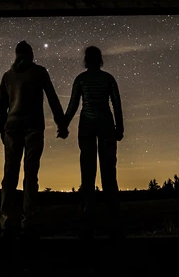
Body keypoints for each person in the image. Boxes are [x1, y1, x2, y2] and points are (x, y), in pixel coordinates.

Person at [0, 40, 67, 238]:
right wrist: (61, 124)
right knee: (31, 174)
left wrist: (2, 132)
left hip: (12, 128)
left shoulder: (7, 76)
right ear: (31, 54)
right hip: (33, 127)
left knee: (10, 174)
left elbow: (1, 106)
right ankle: (29, 220)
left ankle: (7, 221)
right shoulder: (39, 72)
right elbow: (52, 97)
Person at [63, 46, 124, 238]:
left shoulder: (81, 79)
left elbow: (73, 104)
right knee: (109, 171)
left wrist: (63, 125)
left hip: (87, 125)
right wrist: (120, 127)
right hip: (106, 124)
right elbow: (116, 104)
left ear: (86, 60)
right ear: (100, 60)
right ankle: (113, 218)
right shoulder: (108, 78)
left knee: (87, 172)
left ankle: (87, 218)